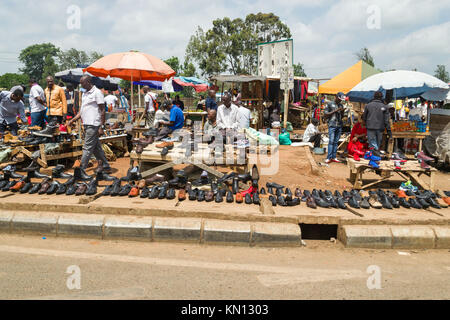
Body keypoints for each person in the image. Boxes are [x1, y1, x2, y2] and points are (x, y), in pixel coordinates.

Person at [67, 75, 111, 174]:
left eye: (82, 83)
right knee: (96, 148)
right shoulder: (84, 94)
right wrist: (72, 120)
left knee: (87, 147)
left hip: (94, 124)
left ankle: (81, 170)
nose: (81, 85)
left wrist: (101, 126)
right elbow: (81, 111)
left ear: (88, 82)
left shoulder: (97, 93)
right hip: (87, 124)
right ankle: (106, 166)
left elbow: (103, 110)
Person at [324, 92, 346, 164]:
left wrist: (342, 112)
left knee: (336, 142)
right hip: (332, 125)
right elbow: (326, 114)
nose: (340, 101)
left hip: (339, 125)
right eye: (339, 99)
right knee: (331, 141)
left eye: (341, 100)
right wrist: (335, 111)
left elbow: (342, 116)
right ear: (336, 97)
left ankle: (334, 157)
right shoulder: (330, 104)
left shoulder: (341, 105)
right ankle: (329, 157)